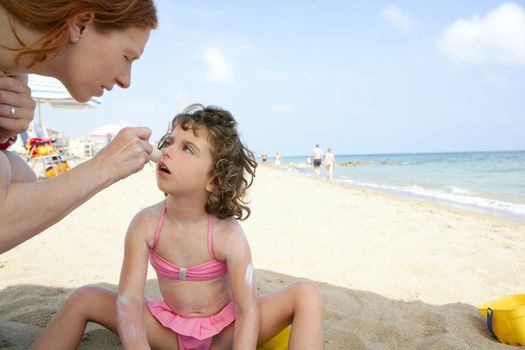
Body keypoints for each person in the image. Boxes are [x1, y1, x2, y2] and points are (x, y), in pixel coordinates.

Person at [31, 104, 325, 349]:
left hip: (224, 335)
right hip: (167, 333)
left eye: (187, 148)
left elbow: (247, 311)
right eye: (169, 141)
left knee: (307, 294)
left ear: (214, 179)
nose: (168, 151)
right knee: (86, 297)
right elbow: (130, 300)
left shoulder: (227, 233)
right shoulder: (145, 224)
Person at [0, 0, 158, 253]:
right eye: (127, 57)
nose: (126, 81)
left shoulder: (12, 73)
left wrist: (5, 134)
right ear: (81, 25)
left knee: (20, 174)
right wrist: (105, 166)